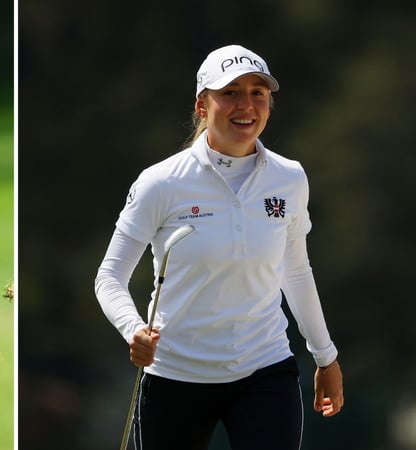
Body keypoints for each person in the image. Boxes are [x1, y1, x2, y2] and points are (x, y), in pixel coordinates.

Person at [94, 44, 344, 450]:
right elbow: (109, 277)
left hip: (265, 370)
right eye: (230, 92)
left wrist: (325, 356)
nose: (246, 104)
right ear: (202, 104)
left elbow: (295, 271)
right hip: (174, 375)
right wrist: (133, 329)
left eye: (257, 93)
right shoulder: (161, 183)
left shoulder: (290, 178)